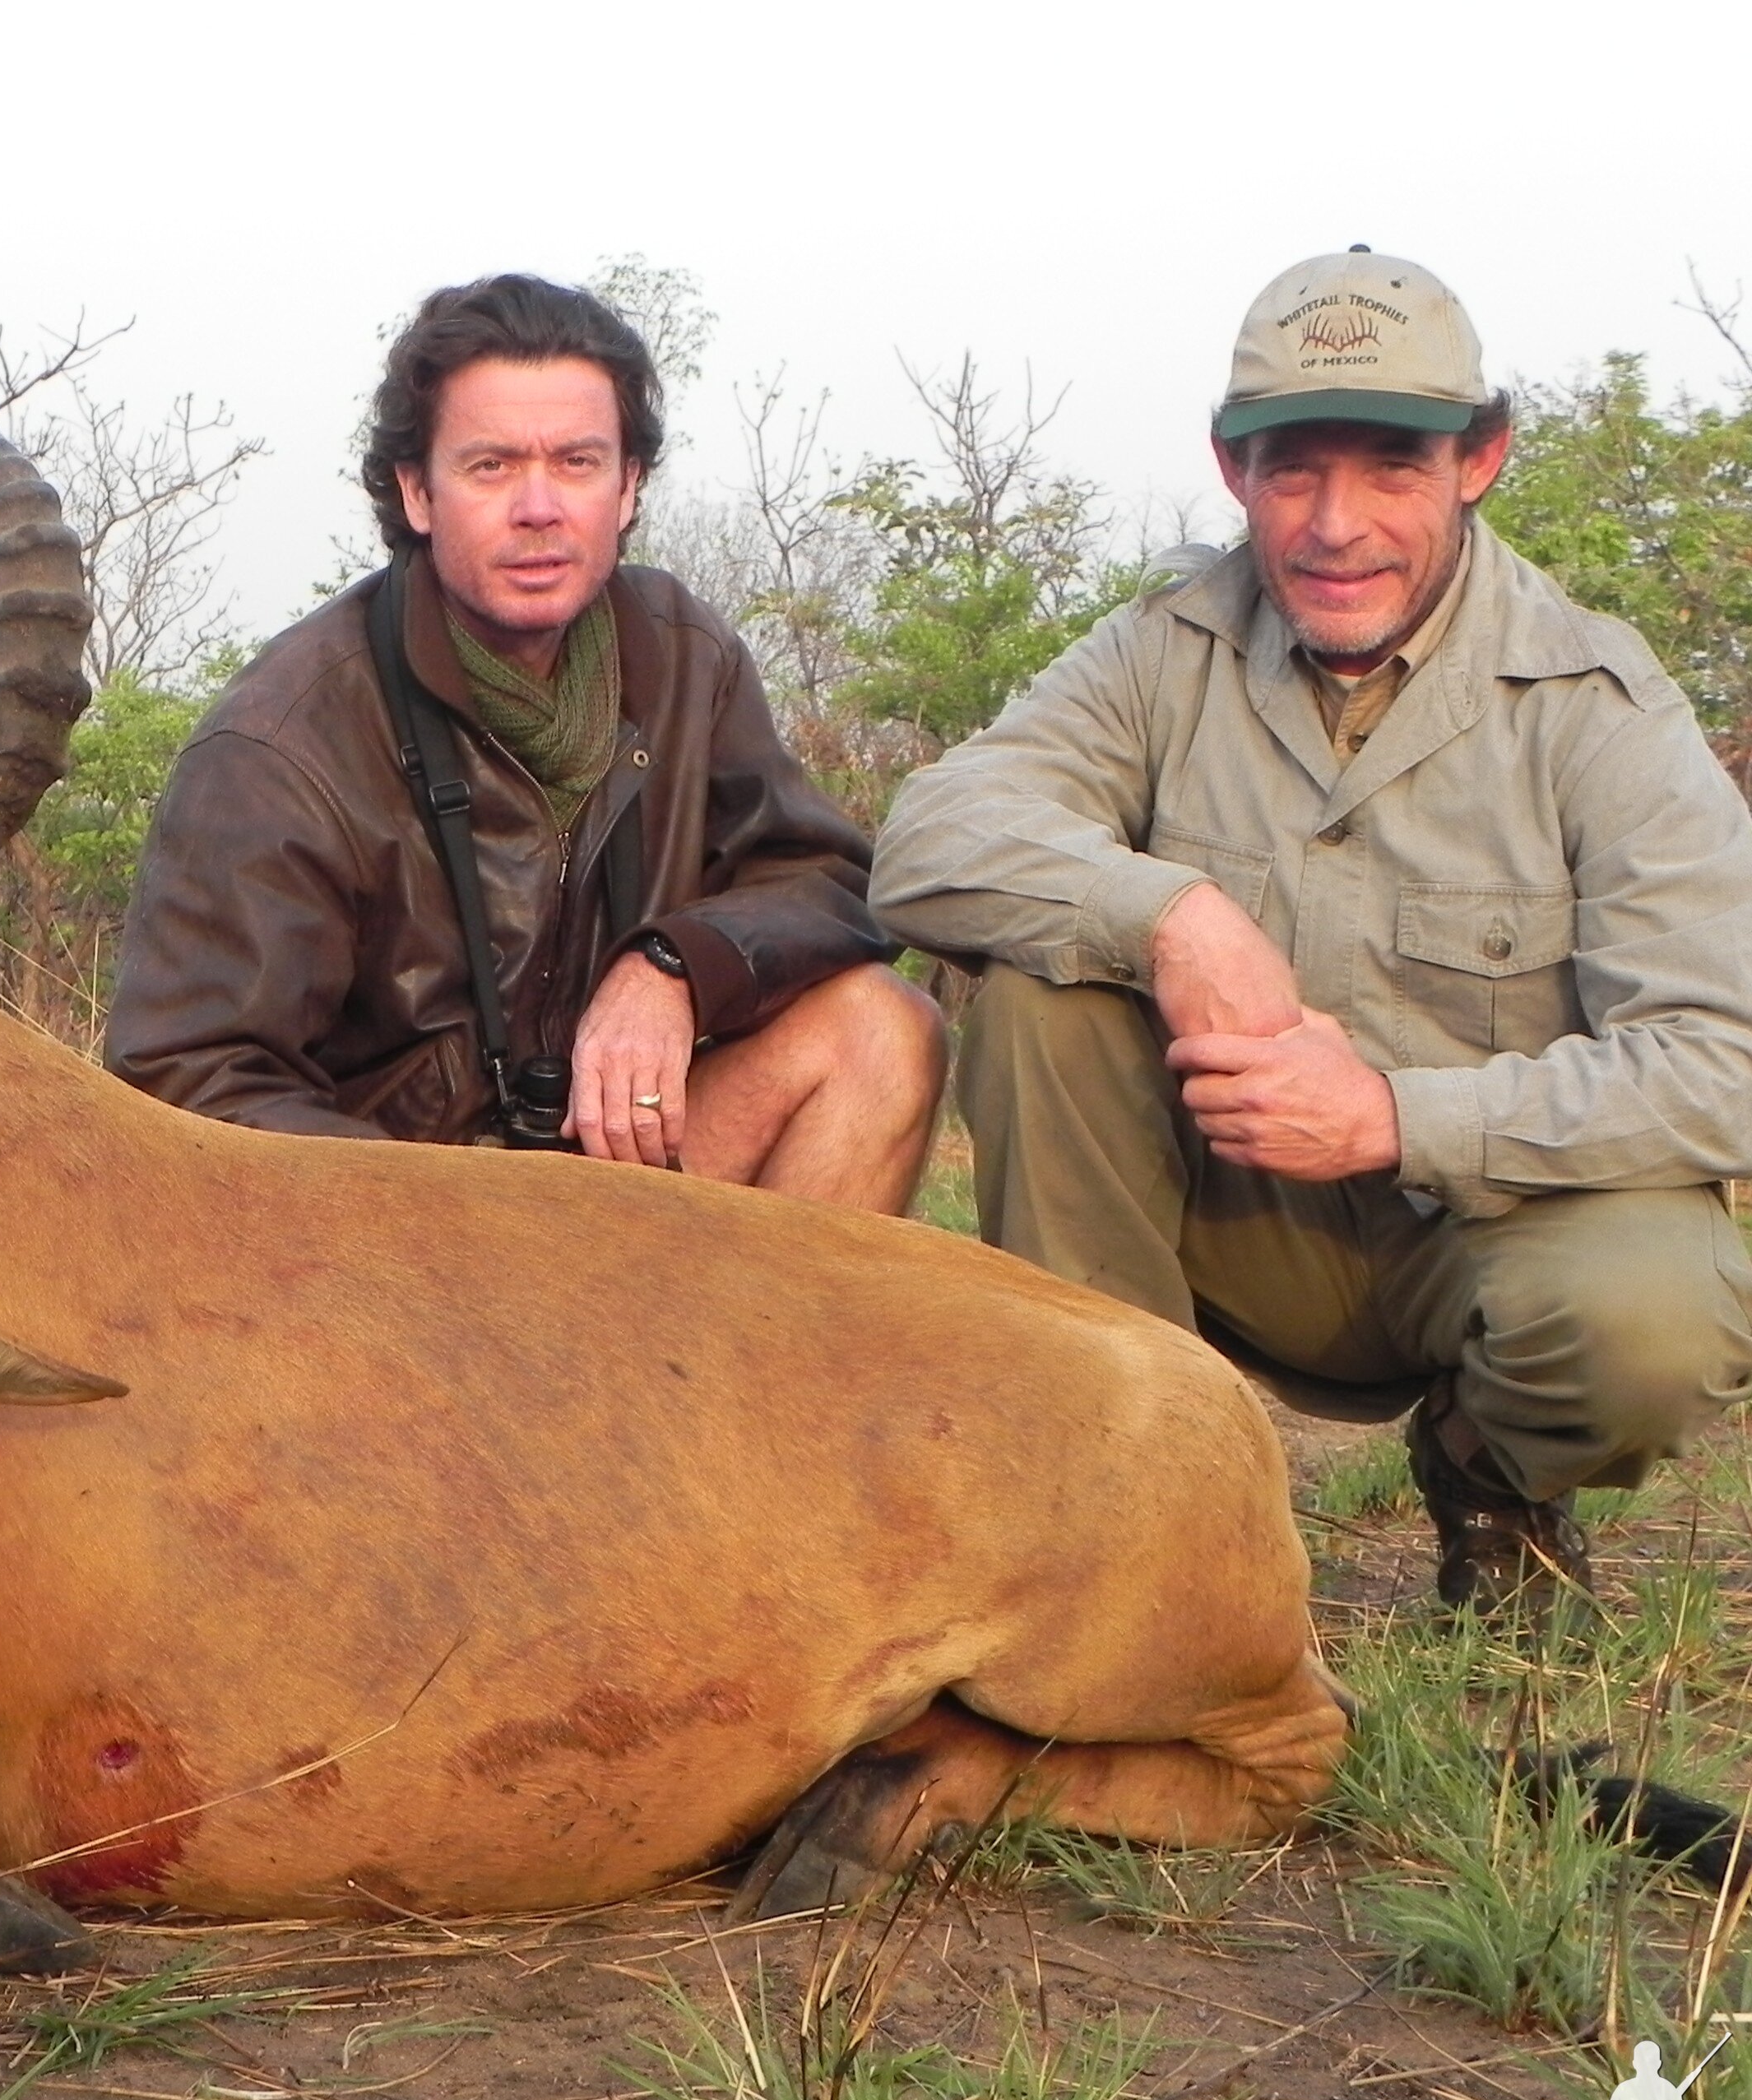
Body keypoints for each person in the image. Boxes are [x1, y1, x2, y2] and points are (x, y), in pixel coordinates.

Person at [871, 248, 1752, 1612]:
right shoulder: (1155, 651)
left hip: (1488, 1232)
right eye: (1292, 470)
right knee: (1043, 993)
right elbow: (930, 833)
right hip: (1219, 1216)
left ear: (1479, 459)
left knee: (1653, 1323)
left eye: (1390, 466)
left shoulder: (1595, 702)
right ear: (1233, 473)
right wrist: (1170, 914)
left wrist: (1394, 1118)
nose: (1335, 524)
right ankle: (1129, 1511)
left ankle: (1488, 1475)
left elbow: (1720, 1063)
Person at [105, 274, 945, 1210]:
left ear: (629, 487)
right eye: (492, 466)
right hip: (395, 1227)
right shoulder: (279, 740)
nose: (539, 508)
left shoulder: (681, 653)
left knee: (883, 1030)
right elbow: (184, 1081)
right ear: (417, 492)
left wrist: (673, 967)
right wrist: (468, 1218)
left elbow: (826, 881)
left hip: (613, 1173)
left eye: (578, 462)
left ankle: (764, 1359)